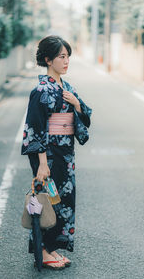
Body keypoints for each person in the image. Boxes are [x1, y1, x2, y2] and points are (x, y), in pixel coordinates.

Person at [21, 35, 92, 270]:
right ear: (48, 59)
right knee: (49, 200)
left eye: (68, 56)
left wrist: (78, 105)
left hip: (66, 155)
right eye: (61, 56)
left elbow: (84, 116)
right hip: (49, 155)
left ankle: (50, 250)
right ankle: (42, 250)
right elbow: (35, 127)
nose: (66, 61)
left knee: (63, 201)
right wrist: (42, 163)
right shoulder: (41, 91)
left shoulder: (66, 88)